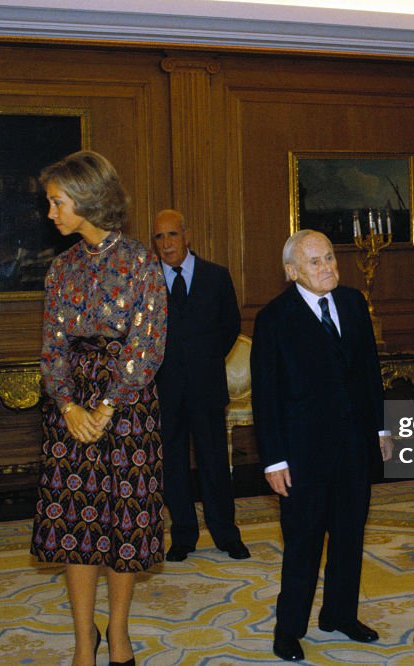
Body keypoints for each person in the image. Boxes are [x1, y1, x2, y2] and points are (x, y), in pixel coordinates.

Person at [30, 150, 167, 666]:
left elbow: (147, 344)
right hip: (70, 409)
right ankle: (83, 638)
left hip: (128, 406)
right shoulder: (60, 268)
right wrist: (68, 408)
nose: (51, 213)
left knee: (123, 523)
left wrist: (107, 406)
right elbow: (51, 348)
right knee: (75, 528)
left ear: (86, 200)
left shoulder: (139, 261)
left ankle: (120, 632)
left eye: (56, 202)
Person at [251, 229, 393, 662]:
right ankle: (288, 629)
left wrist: (382, 430)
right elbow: (266, 395)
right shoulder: (273, 318)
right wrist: (273, 459)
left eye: (330, 257)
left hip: (353, 447)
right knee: (304, 543)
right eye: (315, 261)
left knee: (350, 536)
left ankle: (340, 616)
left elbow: (371, 371)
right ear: (292, 272)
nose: (328, 266)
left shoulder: (352, 303)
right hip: (301, 453)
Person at [152, 209, 249, 562]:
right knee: (173, 465)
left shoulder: (216, 276)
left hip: (207, 387)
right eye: (159, 237)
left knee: (214, 462)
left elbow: (229, 326)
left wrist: (203, 361)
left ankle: (226, 534)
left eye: (172, 235)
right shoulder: (147, 280)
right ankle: (183, 536)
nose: (166, 244)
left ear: (187, 235)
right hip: (165, 389)